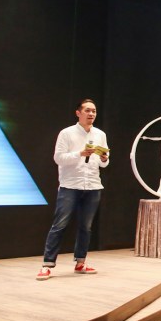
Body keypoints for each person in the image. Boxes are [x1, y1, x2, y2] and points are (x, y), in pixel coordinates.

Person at [36, 99, 109, 281]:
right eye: (87, 110)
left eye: (94, 111)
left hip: (93, 185)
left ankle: (80, 262)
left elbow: (104, 163)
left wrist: (104, 158)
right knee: (59, 225)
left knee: (86, 227)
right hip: (70, 185)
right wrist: (80, 154)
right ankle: (47, 264)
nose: (91, 114)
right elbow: (58, 158)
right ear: (78, 113)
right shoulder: (66, 133)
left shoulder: (100, 134)